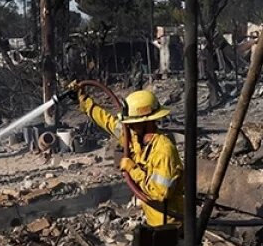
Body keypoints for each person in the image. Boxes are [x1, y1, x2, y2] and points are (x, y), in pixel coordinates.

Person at [71, 84, 184, 227]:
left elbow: (159, 193)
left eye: (133, 123)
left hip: (170, 224)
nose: (128, 126)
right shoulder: (134, 138)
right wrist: (84, 101)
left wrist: (133, 169)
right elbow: (108, 122)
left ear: (147, 122)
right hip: (153, 219)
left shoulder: (164, 150)